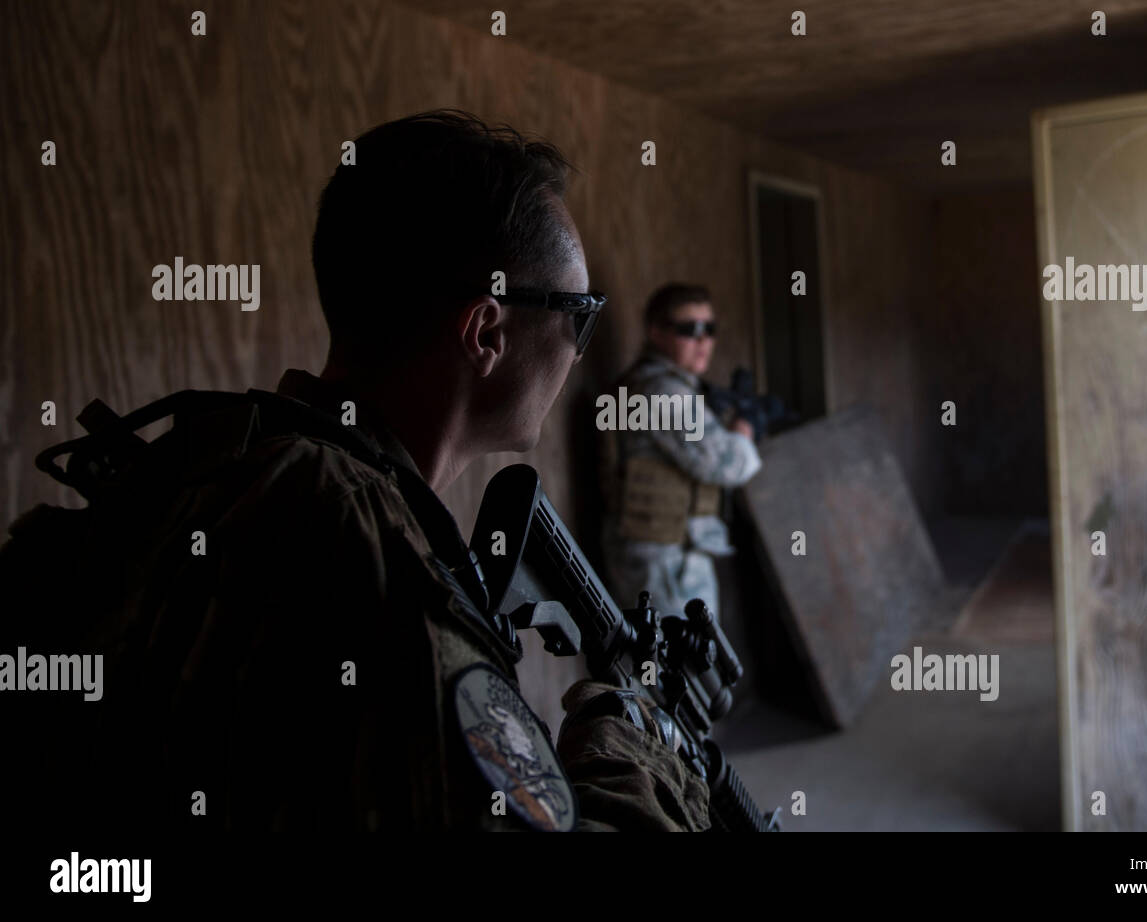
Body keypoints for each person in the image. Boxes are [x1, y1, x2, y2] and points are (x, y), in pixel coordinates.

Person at [3, 110, 708, 832]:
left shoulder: (221, 461)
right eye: (578, 316)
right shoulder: (360, 546)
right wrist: (627, 744)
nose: (579, 349)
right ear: (487, 331)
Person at [600, 284, 762, 620]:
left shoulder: (655, 385)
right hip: (665, 560)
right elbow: (727, 465)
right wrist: (745, 429)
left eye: (710, 329)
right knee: (680, 667)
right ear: (656, 332)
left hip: (665, 552)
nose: (703, 341)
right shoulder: (662, 391)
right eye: (689, 330)